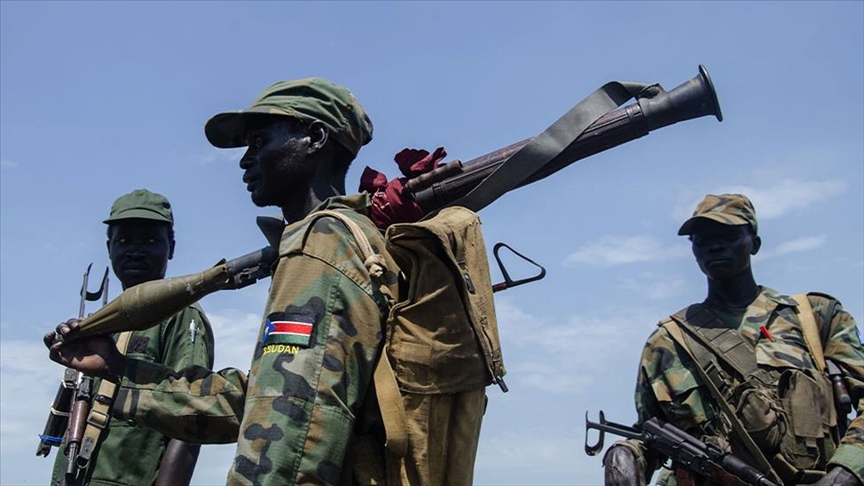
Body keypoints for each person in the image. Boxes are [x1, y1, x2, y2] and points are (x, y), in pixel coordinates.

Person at [46, 78, 399, 485]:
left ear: (315, 138)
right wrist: (120, 370)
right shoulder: (334, 239)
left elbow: (295, 431)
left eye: (260, 141)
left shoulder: (321, 242)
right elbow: (258, 401)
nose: (245, 160)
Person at [603, 194, 864, 486]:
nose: (714, 245)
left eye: (728, 235)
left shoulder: (816, 317)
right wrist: (625, 452)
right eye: (701, 240)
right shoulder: (667, 343)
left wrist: (847, 472)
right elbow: (652, 434)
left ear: (754, 243)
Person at [49, 189, 215, 486]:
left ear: (171, 247)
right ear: (109, 247)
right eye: (123, 241)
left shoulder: (179, 315)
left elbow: (191, 419)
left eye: (150, 241)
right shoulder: (103, 322)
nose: (135, 251)